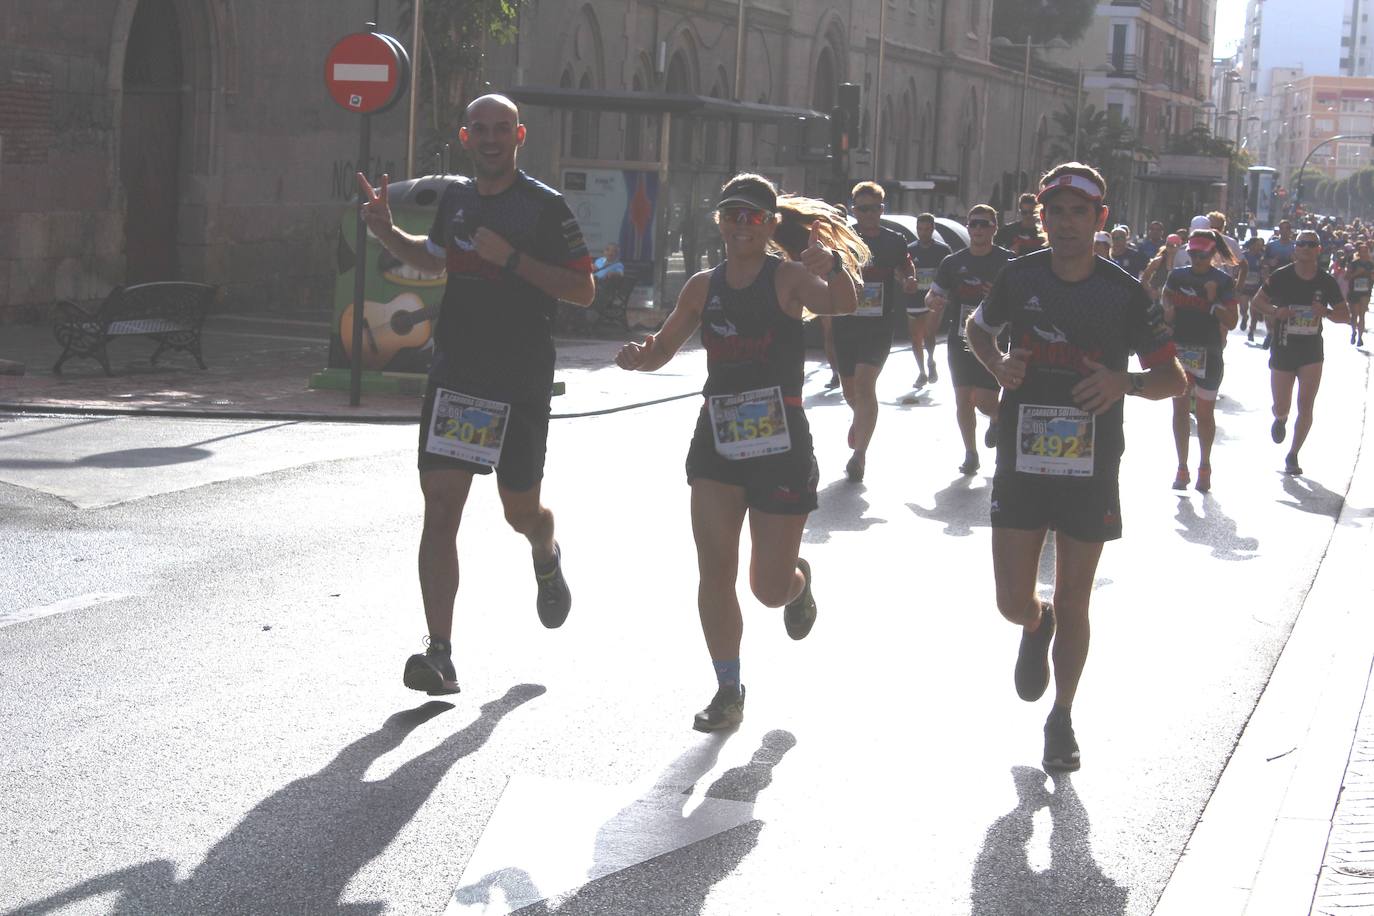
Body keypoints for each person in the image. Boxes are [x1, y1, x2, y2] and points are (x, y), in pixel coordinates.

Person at [356, 94, 596, 695]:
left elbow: (584, 289)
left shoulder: (545, 206)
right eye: (478, 130)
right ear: (465, 137)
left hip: (519, 377)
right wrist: (389, 233)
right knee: (440, 509)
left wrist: (512, 258)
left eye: (500, 130)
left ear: (518, 136)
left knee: (519, 511)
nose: (490, 139)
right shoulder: (457, 199)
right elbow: (436, 261)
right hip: (459, 374)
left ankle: (545, 548)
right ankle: (440, 653)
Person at [614, 174, 863, 731]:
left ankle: (796, 581)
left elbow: (844, 305)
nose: (739, 226)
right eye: (730, 214)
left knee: (767, 589)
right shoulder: (703, 286)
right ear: (719, 221)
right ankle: (729, 688)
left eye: (752, 217)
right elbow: (663, 348)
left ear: (771, 224)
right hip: (718, 441)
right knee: (714, 566)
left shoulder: (790, 277)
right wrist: (639, 356)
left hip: (780, 443)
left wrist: (835, 267)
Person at [964, 162, 1185, 772]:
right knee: (1012, 598)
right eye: (1054, 212)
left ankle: (1061, 717)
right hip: (1023, 457)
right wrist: (998, 365)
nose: (1065, 224)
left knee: (1077, 595)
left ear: (1099, 220)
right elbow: (978, 331)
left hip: (1091, 463)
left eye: (1078, 213)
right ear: (1043, 218)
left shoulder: (1123, 293)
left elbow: (1174, 378)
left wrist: (1126, 381)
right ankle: (1036, 625)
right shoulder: (1018, 276)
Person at [832, 181, 918, 482]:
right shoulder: (843, 239)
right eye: (863, 209)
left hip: (879, 326)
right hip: (846, 322)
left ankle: (859, 456)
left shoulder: (895, 240)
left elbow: (907, 268)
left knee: (865, 386)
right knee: (850, 391)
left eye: (875, 209)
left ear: (883, 209)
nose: (869, 215)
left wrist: (909, 280)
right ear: (854, 210)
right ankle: (861, 418)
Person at [1250, 228, 1348, 475]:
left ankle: (1293, 454)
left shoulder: (1326, 281)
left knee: (1306, 404)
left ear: (1318, 249)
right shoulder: (1281, 276)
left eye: (1310, 244)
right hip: (1283, 346)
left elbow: (1344, 315)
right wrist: (1275, 311)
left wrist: (1324, 312)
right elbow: (1257, 302)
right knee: (1282, 404)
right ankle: (1281, 418)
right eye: (1301, 243)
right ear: (1295, 248)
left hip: (1311, 349)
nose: (1306, 248)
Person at [925, 204, 1013, 475]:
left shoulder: (1008, 262)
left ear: (994, 228)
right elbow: (931, 294)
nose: (977, 229)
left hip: (993, 341)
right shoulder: (952, 262)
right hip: (960, 339)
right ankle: (971, 454)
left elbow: (1022, 302)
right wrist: (933, 301)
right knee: (963, 398)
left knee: (985, 400)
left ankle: (997, 417)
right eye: (973, 224)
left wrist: (999, 297)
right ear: (967, 226)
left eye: (984, 224)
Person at [1162, 230, 1240, 492]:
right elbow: (1166, 298)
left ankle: (1204, 465)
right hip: (1180, 350)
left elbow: (1232, 321)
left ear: (1212, 253)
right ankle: (1181, 467)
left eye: (1202, 254)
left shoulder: (1222, 281)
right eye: (1193, 252)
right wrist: (1168, 310)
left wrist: (1212, 302)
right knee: (1180, 410)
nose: (1196, 258)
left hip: (1209, 352)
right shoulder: (1178, 275)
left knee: (1205, 414)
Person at [905, 213, 952, 388]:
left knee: (928, 333)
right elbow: (900, 271)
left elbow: (950, 274)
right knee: (915, 337)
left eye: (927, 229)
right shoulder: (909, 250)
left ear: (933, 229)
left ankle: (931, 360)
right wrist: (905, 281)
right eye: (920, 229)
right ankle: (922, 372)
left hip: (933, 299)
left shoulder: (943, 250)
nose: (923, 233)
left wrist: (944, 295)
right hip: (913, 298)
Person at [1140, 233, 1183, 306]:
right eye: (1168, 245)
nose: (1171, 248)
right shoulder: (1158, 261)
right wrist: (1151, 291)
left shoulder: (1183, 263)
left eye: (1175, 246)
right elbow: (1144, 278)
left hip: (1175, 301)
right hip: (1157, 301)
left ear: (1179, 246)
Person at [1238, 235, 1264, 338]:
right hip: (1245, 286)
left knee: (1255, 311)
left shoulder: (1261, 257)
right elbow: (1237, 268)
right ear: (1252, 245)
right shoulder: (1243, 256)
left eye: (1260, 245)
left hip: (1256, 288)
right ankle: (1245, 317)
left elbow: (1265, 270)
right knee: (1243, 308)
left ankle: (1251, 331)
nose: (1259, 247)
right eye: (1257, 245)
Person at [1346, 241, 1371, 346]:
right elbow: (1346, 277)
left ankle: (1360, 338)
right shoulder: (1353, 263)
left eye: (1366, 251)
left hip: (1365, 291)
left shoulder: (1371, 264)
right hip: (1354, 291)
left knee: (1362, 315)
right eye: (1362, 251)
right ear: (1359, 253)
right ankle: (1353, 332)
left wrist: (1369, 274)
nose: (1364, 253)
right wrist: (1356, 273)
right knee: (1354, 315)